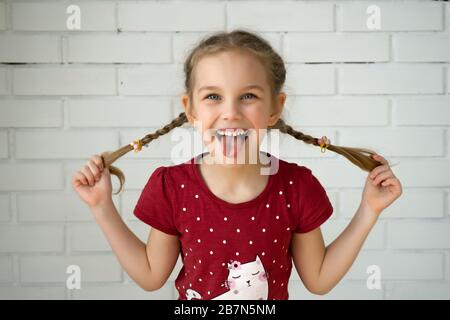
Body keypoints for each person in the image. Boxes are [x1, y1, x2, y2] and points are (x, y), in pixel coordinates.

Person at [72, 29, 402, 300]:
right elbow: (150, 275)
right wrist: (102, 207)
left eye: (248, 96)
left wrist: (369, 211)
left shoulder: (296, 186)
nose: (230, 112)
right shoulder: (171, 186)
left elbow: (318, 280)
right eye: (213, 96)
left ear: (275, 107)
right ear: (191, 109)